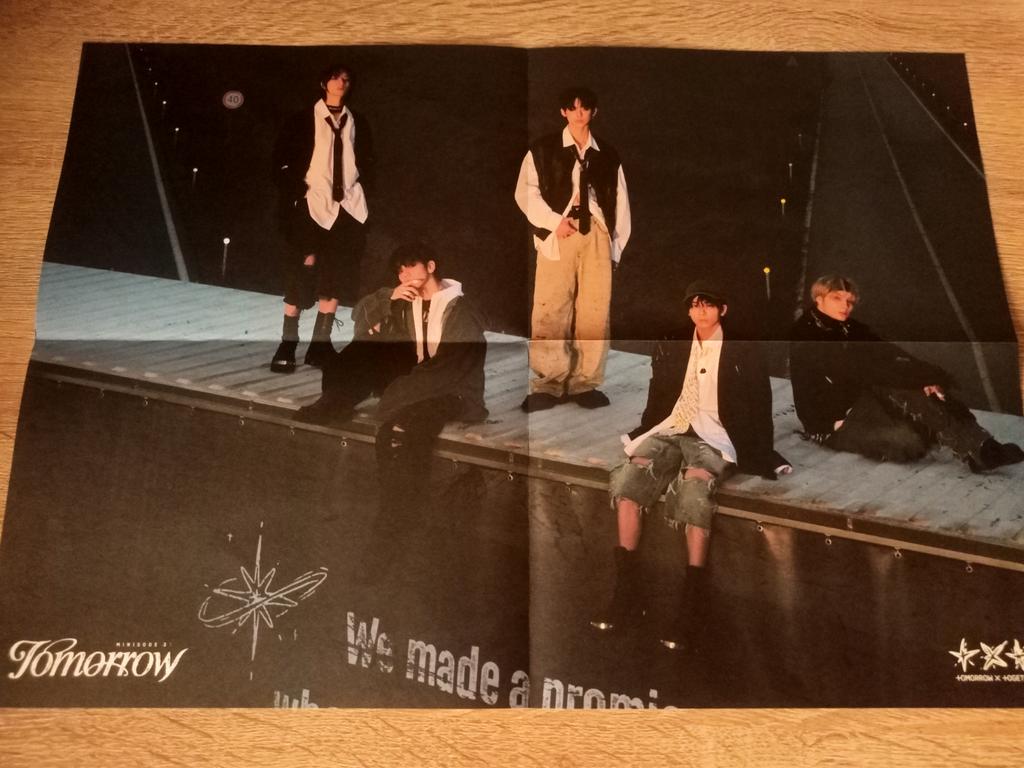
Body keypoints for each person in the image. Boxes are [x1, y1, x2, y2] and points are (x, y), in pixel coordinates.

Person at [592, 280, 790, 651]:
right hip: (673, 426)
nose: (701, 311)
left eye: (708, 305)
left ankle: (692, 601)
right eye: (695, 305)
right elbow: (658, 395)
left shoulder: (743, 348)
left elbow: (760, 403)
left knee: (695, 487)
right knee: (630, 480)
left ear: (722, 310)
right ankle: (626, 591)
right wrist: (646, 432)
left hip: (716, 434)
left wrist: (763, 452)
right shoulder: (674, 342)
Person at [294, 242, 488, 513]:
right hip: (417, 377)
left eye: (411, 267)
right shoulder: (406, 298)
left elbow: (451, 367)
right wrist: (389, 299)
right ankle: (336, 401)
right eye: (399, 271)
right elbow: (360, 320)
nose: (404, 275)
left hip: (453, 389)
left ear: (431, 267)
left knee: (403, 428)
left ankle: (401, 507)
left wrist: (398, 392)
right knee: (362, 351)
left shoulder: (460, 309)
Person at [789, 275, 1024, 472]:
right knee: (910, 445)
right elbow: (862, 371)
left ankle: (984, 449)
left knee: (914, 388)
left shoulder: (848, 326)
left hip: (858, 400)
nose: (845, 306)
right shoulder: (807, 335)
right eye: (836, 298)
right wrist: (919, 378)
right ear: (819, 299)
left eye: (850, 301)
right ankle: (959, 441)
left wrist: (930, 377)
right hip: (830, 422)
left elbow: (890, 352)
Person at [514, 86, 631, 412]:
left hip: (596, 233)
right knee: (551, 307)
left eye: (585, 108)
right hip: (560, 233)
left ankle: (585, 383)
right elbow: (525, 193)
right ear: (563, 112)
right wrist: (554, 222)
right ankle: (548, 384)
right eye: (573, 108)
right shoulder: (543, 150)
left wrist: (614, 245)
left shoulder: (607, 154)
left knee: (595, 310)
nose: (579, 114)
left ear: (594, 112)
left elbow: (620, 201)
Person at [269, 62, 374, 373]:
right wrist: (296, 191)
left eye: (346, 79)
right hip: (312, 204)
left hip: (348, 207)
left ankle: (320, 344)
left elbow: (369, 161)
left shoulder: (357, 121)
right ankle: (288, 343)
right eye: (335, 78)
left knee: (337, 273)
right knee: (301, 269)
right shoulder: (303, 119)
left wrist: (362, 190)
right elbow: (279, 161)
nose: (341, 83)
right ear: (323, 83)